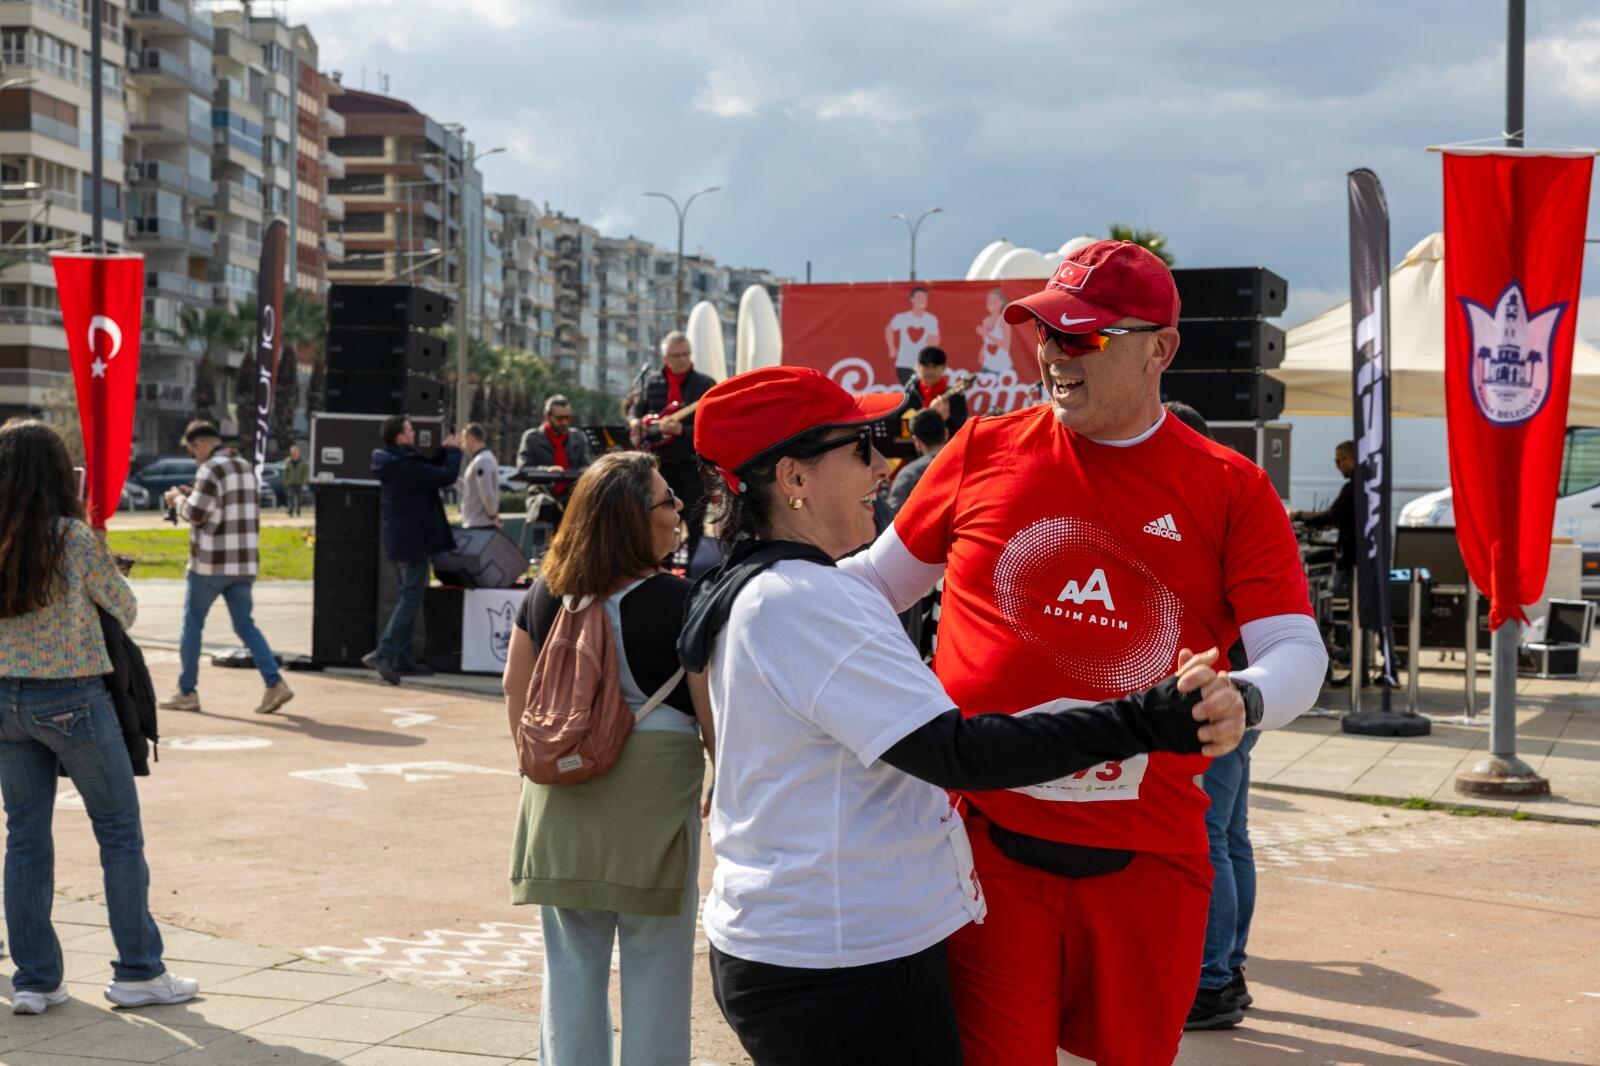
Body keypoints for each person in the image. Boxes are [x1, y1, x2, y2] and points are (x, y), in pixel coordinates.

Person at [842, 240, 1328, 1065]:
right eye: (1047, 335)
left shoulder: (1229, 486)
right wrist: (763, 604)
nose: (1055, 357)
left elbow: (1294, 647)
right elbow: (866, 590)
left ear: (1159, 352)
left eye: (1084, 338)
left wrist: (1242, 698)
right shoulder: (981, 451)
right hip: (984, 849)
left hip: (1150, 860)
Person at [680, 365, 1249, 1065]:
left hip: (811, 941)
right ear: (793, 479)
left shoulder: (758, 587)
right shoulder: (806, 601)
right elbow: (961, 754)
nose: (882, 466)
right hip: (839, 956)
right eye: (859, 448)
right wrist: (1143, 719)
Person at [501, 452, 714, 1066]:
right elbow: (708, 713)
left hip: (560, 795)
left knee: (569, 961)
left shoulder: (548, 592)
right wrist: (723, 780)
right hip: (654, 801)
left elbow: (517, 689)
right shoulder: (681, 600)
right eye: (667, 501)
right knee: (657, 960)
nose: (679, 512)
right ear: (631, 520)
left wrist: (540, 760)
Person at [0, 419, 200, 1014]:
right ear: (60, 475)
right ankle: (138, 970)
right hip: (72, 699)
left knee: (25, 836)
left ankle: (35, 980)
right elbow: (127, 609)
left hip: (4, 701)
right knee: (117, 832)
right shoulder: (72, 538)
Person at [1162, 400, 1260, 1031]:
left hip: (1221, 693)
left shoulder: (1209, 507)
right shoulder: (1239, 499)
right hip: (1248, 689)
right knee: (1230, 835)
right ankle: (1231, 965)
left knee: (1211, 840)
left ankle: (1214, 980)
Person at [158, 421, 293, 716]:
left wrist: (178, 499)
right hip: (244, 561)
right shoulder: (244, 466)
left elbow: (195, 513)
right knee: (245, 625)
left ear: (201, 444)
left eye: (193, 451)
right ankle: (274, 682)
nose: (195, 457)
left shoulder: (210, 469)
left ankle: (186, 691)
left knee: (192, 626)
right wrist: (194, 493)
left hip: (210, 563)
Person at [364, 415, 462, 686]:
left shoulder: (396, 462)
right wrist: (454, 452)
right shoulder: (405, 465)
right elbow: (444, 476)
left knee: (410, 597)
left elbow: (427, 470)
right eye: (409, 430)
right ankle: (384, 652)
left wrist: (443, 451)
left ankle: (403, 658)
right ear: (400, 437)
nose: (414, 433)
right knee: (410, 597)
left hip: (402, 541)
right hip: (413, 542)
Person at [630, 331, 715, 565]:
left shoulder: (704, 385)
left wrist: (682, 432)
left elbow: (713, 428)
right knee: (659, 523)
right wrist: (635, 422)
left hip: (691, 468)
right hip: (659, 468)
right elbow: (636, 410)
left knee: (695, 524)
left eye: (686, 354)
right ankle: (661, 571)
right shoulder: (652, 382)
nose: (683, 359)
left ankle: (693, 580)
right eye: (677, 355)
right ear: (665, 357)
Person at [518, 395, 594, 531]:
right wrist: (546, 471)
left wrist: (586, 469)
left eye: (568, 418)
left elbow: (585, 463)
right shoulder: (532, 438)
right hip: (542, 494)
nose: (564, 422)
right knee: (547, 505)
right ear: (547, 416)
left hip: (571, 494)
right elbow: (523, 468)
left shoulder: (578, 438)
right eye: (559, 419)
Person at [1290, 440, 1357, 570]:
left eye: (1338, 461)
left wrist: (1296, 514)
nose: (1337, 467)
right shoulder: (1369, 484)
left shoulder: (1352, 487)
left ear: (1348, 459)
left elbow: (1332, 515)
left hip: (1352, 558)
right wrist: (1337, 523)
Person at [888, 410, 947, 516]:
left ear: (916, 442)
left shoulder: (909, 474)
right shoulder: (970, 466)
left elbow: (892, 514)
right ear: (946, 433)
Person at [902, 346, 968, 436]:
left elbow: (962, 432)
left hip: (943, 447)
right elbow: (900, 425)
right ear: (917, 366)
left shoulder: (955, 397)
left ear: (943, 368)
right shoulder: (909, 392)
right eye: (926, 366)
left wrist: (947, 418)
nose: (930, 371)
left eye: (935, 366)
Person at [885, 286, 941, 385]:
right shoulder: (903, 317)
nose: (922, 300)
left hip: (923, 366)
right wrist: (891, 348)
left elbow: (936, 337)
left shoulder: (931, 319)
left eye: (924, 298)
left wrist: (932, 345)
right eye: (919, 297)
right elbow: (889, 329)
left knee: (921, 395)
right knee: (911, 393)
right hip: (904, 364)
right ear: (912, 299)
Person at [457, 423, 501, 530]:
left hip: (480, 524)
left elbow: (487, 493)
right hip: (477, 523)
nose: (463, 444)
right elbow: (472, 489)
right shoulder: (482, 459)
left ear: (471, 438)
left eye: (464, 439)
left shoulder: (482, 461)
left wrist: (492, 515)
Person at [975, 287, 1013, 376]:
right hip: (987, 365)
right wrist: (982, 352)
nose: (990, 302)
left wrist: (986, 334)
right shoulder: (986, 320)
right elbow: (986, 343)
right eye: (989, 300)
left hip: (1002, 367)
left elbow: (1006, 345)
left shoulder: (1003, 320)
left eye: (994, 300)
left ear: (1001, 302)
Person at [281, 444, 310, 517]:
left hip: (299, 483)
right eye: (292, 451)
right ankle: (290, 511)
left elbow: (306, 472)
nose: (293, 453)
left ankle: (298, 511)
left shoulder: (303, 461)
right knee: (290, 497)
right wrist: (285, 480)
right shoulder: (288, 461)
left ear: (298, 452)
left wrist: (304, 481)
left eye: (294, 451)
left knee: (299, 498)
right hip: (290, 482)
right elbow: (285, 472)